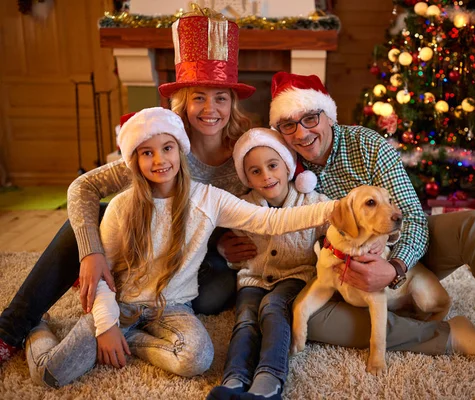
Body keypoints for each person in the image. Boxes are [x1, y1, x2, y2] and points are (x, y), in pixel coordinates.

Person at [266, 71, 475, 400]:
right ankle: (451, 335)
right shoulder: (278, 159)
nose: (302, 133)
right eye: (289, 125)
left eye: (310, 117)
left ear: (327, 114)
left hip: (407, 257)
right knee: (310, 320)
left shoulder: (366, 144)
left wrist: (394, 267)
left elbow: (410, 215)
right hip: (339, 272)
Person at [0, 12, 257, 363]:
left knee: (213, 299)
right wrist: (92, 251)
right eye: (199, 97)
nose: (210, 109)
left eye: (221, 98)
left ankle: (131, 320)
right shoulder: (163, 144)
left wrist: (222, 243)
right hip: (140, 239)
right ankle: (11, 329)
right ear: (182, 100)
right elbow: (83, 188)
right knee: (88, 223)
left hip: (195, 258)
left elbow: (263, 207)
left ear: (233, 102)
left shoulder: (247, 151)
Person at [24, 107, 336, 388]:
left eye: (167, 148)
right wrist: (106, 326)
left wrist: (332, 210)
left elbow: (271, 221)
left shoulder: (208, 199)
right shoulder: (121, 208)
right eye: (147, 153)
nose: (160, 160)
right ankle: (36, 329)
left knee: (196, 359)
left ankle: (129, 340)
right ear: (134, 160)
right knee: (49, 373)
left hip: (173, 307)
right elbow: (104, 274)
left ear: (180, 151)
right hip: (122, 305)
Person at [208, 127, 328, 400]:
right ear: (246, 178)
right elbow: (212, 231)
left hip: (295, 277)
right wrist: (222, 247)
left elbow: (338, 225)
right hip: (253, 278)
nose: (266, 176)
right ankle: (234, 378)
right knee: (246, 318)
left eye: (272, 165)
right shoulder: (242, 206)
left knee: (273, 309)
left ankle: (269, 379)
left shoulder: (313, 202)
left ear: (287, 167)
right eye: (255, 171)